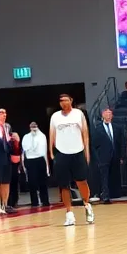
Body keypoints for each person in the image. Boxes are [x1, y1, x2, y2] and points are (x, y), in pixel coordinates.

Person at [48, 94, 94, 226]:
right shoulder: (55, 116)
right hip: (61, 153)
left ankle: (87, 205)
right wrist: (51, 152)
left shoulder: (78, 114)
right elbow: (52, 134)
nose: (63, 102)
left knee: (82, 182)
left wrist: (87, 152)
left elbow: (85, 133)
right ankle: (69, 213)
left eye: (65, 100)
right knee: (63, 185)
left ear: (71, 101)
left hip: (78, 152)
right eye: (61, 100)